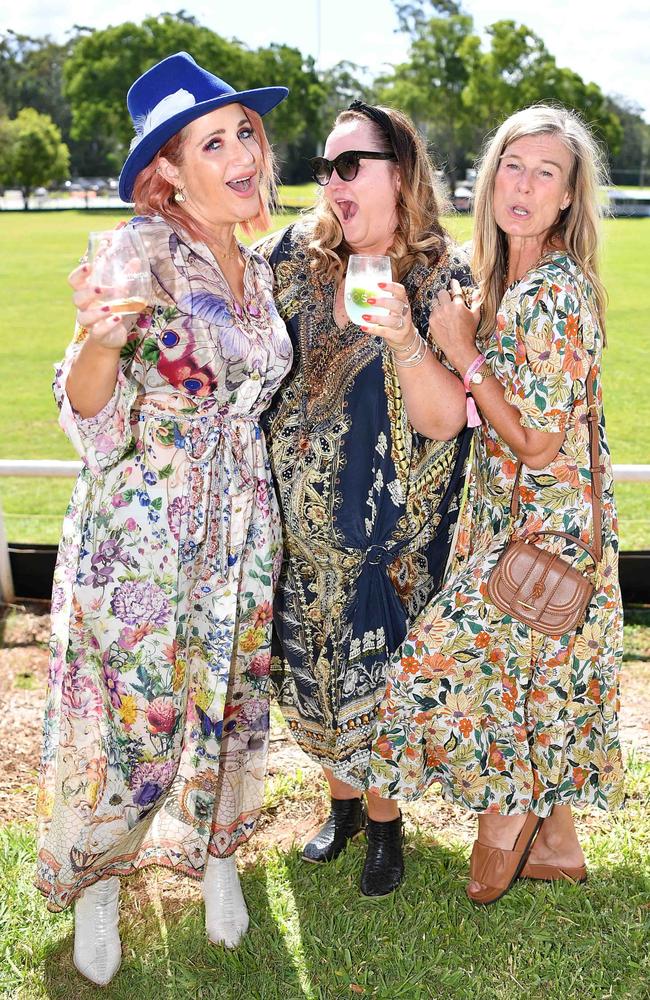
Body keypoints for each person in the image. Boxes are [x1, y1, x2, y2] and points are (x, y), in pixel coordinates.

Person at [35, 51, 292, 984]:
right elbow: (85, 410)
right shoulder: (133, 251)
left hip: (239, 524)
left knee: (228, 702)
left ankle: (216, 855)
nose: (241, 154)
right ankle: (103, 877)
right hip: (145, 532)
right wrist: (101, 341)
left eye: (246, 135)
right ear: (168, 170)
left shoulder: (255, 263)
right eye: (212, 140)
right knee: (135, 721)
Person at [366, 105, 624, 903]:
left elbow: (540, 442)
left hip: (547, 528)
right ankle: (556, 843)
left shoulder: (551, 294)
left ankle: (507, 821)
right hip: (516, 519)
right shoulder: (506, 281)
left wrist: (462, 352)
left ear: (567, 199)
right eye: (515, 165)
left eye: (548, 173)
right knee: (529, 683)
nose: (526, 184)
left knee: (433, 668)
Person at [256, 101, 472, 897]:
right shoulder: (291, 258)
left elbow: (446, 418)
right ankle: (341, 807)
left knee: (376, 688)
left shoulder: (441, 275)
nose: (334, 183)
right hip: (299, 542)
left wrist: (407, 337)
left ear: (401, 171)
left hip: (392, 547)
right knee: (311, 682)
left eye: (353, 165)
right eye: (325, 168)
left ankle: (385, 826)